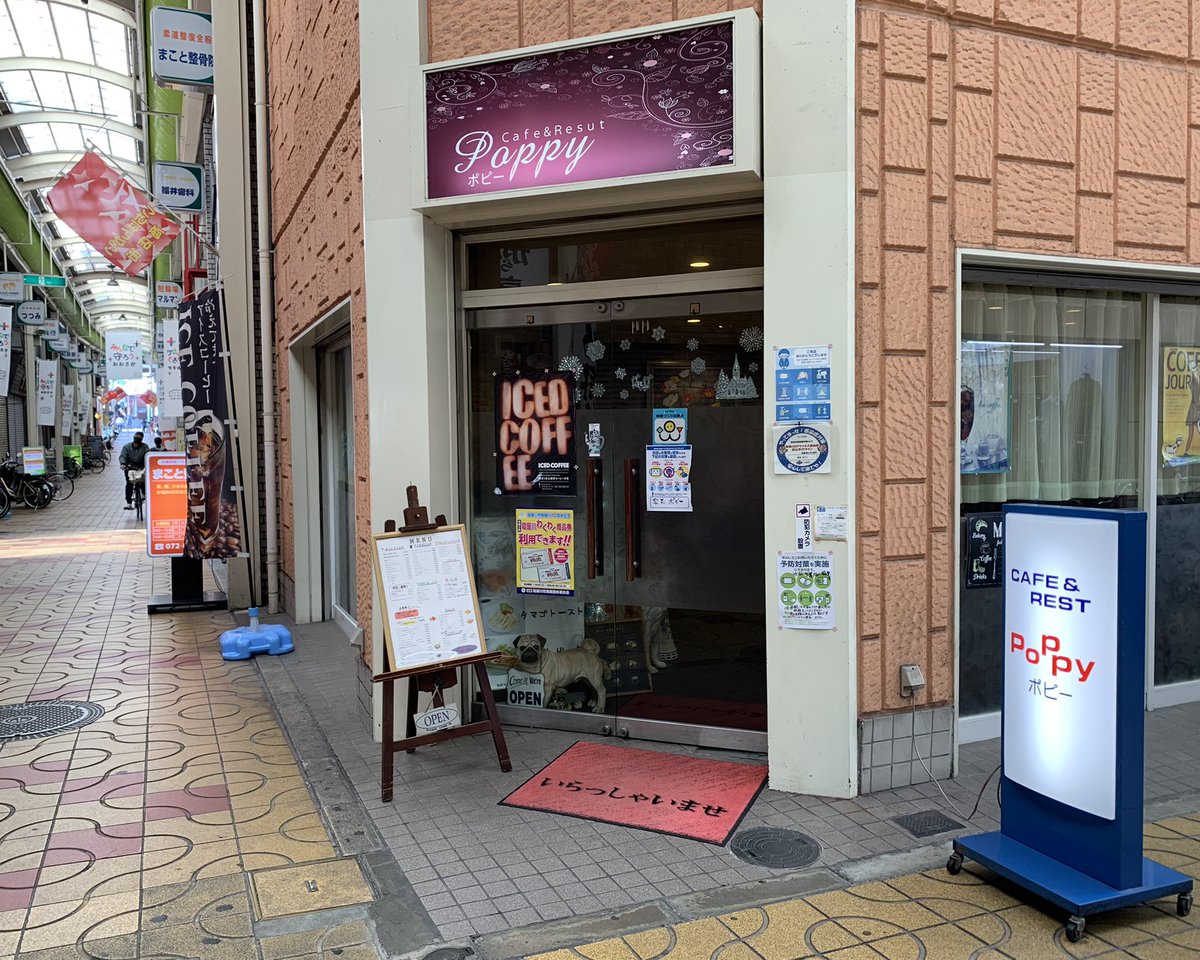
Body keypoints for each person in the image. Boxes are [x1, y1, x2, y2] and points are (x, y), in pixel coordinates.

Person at [119, 431, 149, 510]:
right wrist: (123, 464)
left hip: (141, 468)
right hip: (129, 468)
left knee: (144, 482)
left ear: (142, 439)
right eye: (136, 436)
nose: (137, 438)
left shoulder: (145, 447)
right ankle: (129, 503)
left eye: (139, 437)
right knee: (129, 484)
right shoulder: (126, 447)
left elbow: (148, 455)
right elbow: (123, 456)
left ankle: (144, 495)